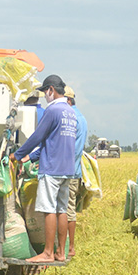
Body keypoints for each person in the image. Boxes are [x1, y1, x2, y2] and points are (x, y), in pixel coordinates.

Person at [10, 74, 77, 263]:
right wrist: (30, 156)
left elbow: (37, 137)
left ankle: (47, 252)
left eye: (45, 92)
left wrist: (18, 154)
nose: (45, 97)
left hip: (52, 168)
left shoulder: (53, 110)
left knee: (48, 210)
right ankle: (61, 252)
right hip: (67, 168)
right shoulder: (70, 112)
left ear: (51, 90)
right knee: (61, 209)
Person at [64, 84, 87, 259]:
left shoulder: (72, 118)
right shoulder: (81, 117)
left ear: (69, 100)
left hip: (68, 171)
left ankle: (70, 248)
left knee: (68, 210)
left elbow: (69, 147)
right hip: (74, 170)